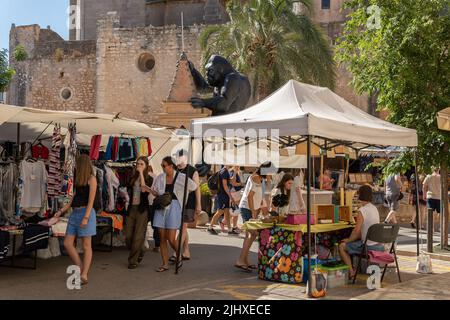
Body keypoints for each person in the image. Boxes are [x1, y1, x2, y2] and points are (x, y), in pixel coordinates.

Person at [54, 154, 97, 285]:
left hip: (86, 213)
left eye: (77, 165)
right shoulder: (79, 180)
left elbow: (91, 201)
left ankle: (84, 274)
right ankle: (80, 267)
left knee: (86, 245)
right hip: (75, 213)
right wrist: (61, 211)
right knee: (67, 243)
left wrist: (86, 217)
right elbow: (72, 200)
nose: (75, 167)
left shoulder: (92, 179)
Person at [150, 156, 197, 272]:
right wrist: (151, 191)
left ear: (171, 166)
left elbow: (193, 186)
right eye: (161, 165)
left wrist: (182, 193)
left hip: (175, 207)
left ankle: (178, 254)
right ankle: (165, 263)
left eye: (164, 165)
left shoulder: (181, 177)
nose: (162, 168)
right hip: (161, 207)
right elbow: (155, 191)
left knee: (171, 238)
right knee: (161, 237)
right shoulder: (160, 177)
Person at [235, 162, 274, 272]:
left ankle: (244, 260)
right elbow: (250, 196)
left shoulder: (260, 179)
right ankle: (240, 260)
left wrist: (263, 213)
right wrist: (253, 212)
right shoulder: (256, 178)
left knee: (250, 235)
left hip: (251, 209)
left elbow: (261, 197)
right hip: (247, 208)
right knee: (252, 234)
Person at [339, 185, 384, 278]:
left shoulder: (362, 210)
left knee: (342, 246)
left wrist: (348, 240)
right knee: (353, 242)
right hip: (377, 244)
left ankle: (352, 271)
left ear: (360, 195)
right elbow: (362, 231)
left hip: (368, 245)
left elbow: (356, 231)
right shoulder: (374, 208)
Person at [125, 156, 153, 269]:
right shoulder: (133, 177)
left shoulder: (149, 178)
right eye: (138, 164)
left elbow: (143, 189)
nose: (139, 166)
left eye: (141, 164)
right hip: (132, 208)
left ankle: (132, 261)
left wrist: (141, 174)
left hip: (142, 209)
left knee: (138, 236)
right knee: (128, 236)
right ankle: (141, 250)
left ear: (146, 166)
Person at [173, 149, 201, 261]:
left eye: (178, 156)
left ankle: (176, 252)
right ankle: (186, 251)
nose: (176, 159)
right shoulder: (174, 169)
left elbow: (197, 188)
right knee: (182, 227)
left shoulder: (192, 170)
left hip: (189, 202)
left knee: (183, 227)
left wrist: (198, 205)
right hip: (177, 201)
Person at [208, 166, 238, 235]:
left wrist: (235, 172)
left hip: (224, 195)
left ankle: (230, 229)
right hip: (222, 195)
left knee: (227, 213)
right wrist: (231, 197)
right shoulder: (224, 171)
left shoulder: (225, 171)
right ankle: (210, 227)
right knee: (220, 211)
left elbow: (231, 182)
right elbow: (225, 186)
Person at [220, 166, 244, 232]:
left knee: (235, 211)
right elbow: (233, 183)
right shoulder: (233, 171)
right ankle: (225, 223)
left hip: (235, 193)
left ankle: (233, 226)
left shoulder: (233, 171)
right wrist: (241, 184)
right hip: (234, 193)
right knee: (235, 210)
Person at [423, 167, 441, 231]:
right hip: (439, 197)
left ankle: (431, 228)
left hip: (430, 196)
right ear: (438, 170)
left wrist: (424, 195)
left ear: (432, 170)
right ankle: (440, 227)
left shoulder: (428, 176)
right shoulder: (441, 177)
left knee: (431, 213)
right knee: (440, 213)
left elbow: (424, 186)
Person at [147, 165, 160, 252]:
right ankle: (157, 245)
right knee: (155, 225)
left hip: (145, 203)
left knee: (143, 224)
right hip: (153, 203)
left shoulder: (144, 176)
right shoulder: (156, 176)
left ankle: (142, 242)